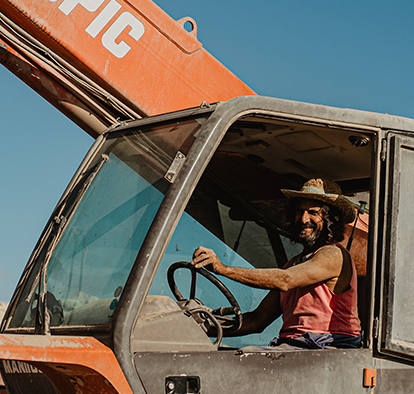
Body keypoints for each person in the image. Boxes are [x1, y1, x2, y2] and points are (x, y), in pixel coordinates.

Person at [191, 178, 362, 349]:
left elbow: (285, 280)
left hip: (327, 348)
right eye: (299, 211)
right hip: (293, 347)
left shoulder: (334, 255)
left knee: (244, 360)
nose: (303, 219)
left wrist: (223, 269)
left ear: (331, 219)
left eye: (313, 212)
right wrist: (199, 326)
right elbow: (256, 320)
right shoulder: (294, 264)